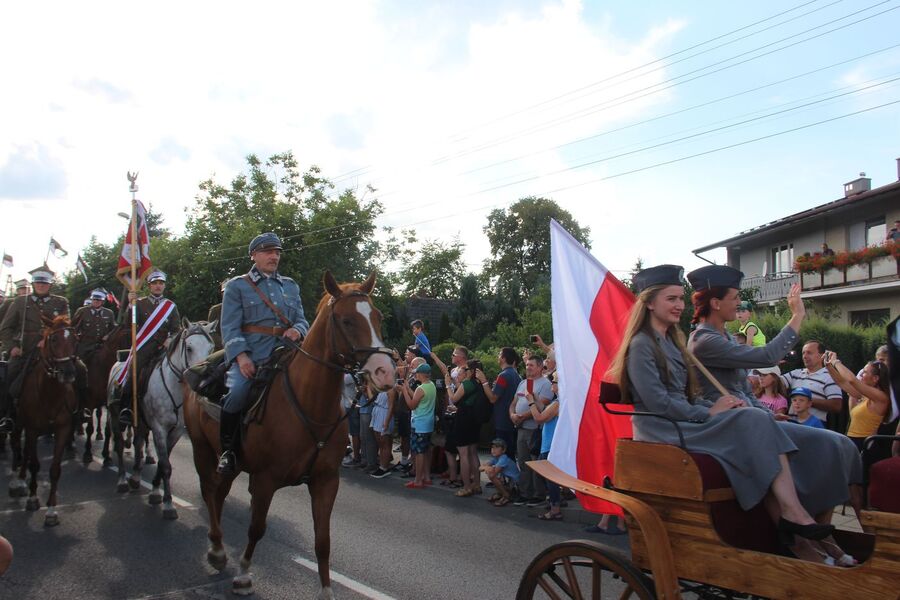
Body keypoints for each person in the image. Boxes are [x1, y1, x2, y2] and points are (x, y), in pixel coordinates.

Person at [609, 264, 843, 563]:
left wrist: (718, 406)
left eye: (681, 298)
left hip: (685, 421)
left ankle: (794, 516)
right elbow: (658, 403)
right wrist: (709, 413)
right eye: (671, 298)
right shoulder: (642, 345)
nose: (680, 305)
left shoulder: (673, 342)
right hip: (664, 429)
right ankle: (792, 513)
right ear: (649, 302)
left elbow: (689, 395)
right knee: (754, 419)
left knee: (757, 419)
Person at [685, 264, 862, 563]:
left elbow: (742, 391)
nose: (739, 304)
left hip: (751, 418)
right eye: (735, 297)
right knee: (805, 444)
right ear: (716, 303)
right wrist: (796, 317)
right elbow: (766, 357)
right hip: (730, 426)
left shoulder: (725, 337)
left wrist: (767, 412)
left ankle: (819, 528)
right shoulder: (704, 340)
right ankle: (799, 537)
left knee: (837, 444)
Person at [216, 233, 309, 474]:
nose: (274, 256)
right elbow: (229, 327)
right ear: (253, 255)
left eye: (277, 252)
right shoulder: (238, 286)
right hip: (253, 356)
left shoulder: (290, 285)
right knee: (236, 392)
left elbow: (302, 320)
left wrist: (297, 331)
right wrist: (241, 357)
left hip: (287, 355)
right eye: (268, 251)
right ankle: (228, 451)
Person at [0, 265, 70, 432]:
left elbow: (65, 326)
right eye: (38, 283)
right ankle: (7, 416)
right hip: (24, 349)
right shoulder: (20, 302)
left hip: (53, 350)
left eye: (44, 283)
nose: (41, 286)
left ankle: (78, 412)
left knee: (79, 371)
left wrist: (46, 339)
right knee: (8, 376)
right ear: (33, 284)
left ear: (50, 285)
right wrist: (12, 347)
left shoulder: (60, 302)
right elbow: (5, 328)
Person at [117, 269, 181, 426]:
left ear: (164, 286)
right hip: (144, 347)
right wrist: (130, 305)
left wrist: (170, 339)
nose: (158, 286)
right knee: (134, 371)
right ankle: (126, 407)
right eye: (155, 283)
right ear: (149, 285)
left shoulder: (170, 306)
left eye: (161, 283)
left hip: (164, 348)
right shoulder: (139, 303)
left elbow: (176, 329)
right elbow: (127, 325)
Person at [825, 353, 892, 451]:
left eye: (864, 372)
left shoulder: (881, 397)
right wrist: (829, 366)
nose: (860, 374)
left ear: (875, 378)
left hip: (865, 444)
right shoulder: (866, 395)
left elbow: (852, 380)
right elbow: (842, 383)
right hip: (853, 441)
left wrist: (836, 362)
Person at [439, 357, 484, 497]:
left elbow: (454, 398)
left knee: (463, 454)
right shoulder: (479, 383)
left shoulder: (467, 383)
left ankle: (466, 486)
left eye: (465, 369)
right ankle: (476, 483)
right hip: (475, 419)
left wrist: (447, 385)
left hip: (464, 418)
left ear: (470, 371)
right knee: (473, 452)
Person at [510, 355, 552, 506]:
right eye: (527, 365)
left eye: (531, 365)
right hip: (521, 429)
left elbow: (543, 405)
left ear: (540, 367)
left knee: (535, 463)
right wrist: (513, 415)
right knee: (523, 462)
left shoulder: (545, 384)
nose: (528, 367)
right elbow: (514, 402)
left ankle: (538, 494)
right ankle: (524, 493)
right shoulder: (523, 383)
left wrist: (522, 417)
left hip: (535, 430)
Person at [780, 341, 843, 424]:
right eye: (803, 353)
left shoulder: (830, 376)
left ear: (822, 355)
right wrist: (773, 365)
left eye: (809, 353)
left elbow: (836, 405)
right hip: (792, 426)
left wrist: (806, 400)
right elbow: (774, 383)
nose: (805, 356)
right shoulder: (796, 373)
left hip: (813, 428)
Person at [475, 347, 521, 458]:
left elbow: (493, 398)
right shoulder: (517, 375)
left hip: (503, 420)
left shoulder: (503, 375)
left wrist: (484, 381)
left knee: (503, 454)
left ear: (504, 358)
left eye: (500, 354)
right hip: (510, 419)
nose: (498, 357)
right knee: (509, 454)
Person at [532, 371, 561, 520]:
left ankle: (555, 507)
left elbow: (539, 417)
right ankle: (554, 503)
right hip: (549, 443)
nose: (552, 384)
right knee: (548, 477)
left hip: (550, 445)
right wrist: (536, 399)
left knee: (550, 478)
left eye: (554, 381)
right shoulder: (559, 401)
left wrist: (531, 402)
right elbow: (544, 410)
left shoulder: (558, 403)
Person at [401, 362, 435, 488]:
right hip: (428, 424)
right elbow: (417, 396)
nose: (415, 376)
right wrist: (407, 388)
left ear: (421, 374)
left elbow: (411, 405)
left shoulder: (421, 389)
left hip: (420, 424)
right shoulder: (430, 385)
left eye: (417, 373)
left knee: (419, 452)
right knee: (425, 451)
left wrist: (404, 390)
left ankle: (418, 480)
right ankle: (426, 477)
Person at [73, 289, 116, 360]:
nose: (96, 301)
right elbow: (73, 327)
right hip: (85, 345)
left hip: (102, 345)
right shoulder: (82, 311)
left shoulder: (109, 313)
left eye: (98, 300)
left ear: (103, 301)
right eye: (94, 299)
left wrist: (108, 335)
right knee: (80, 366)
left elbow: (114, 328)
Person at [480, 438, 520, 507]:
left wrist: (488, 468)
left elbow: (494, 472)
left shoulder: (503, 458)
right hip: (507, 480)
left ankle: (506, 495)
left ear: (503, 450)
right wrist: (488, 468)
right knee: (492, 474)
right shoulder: (495, 458)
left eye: (496, 448)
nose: (493, 450)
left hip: (515, 484)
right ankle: (500, 493)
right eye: (492, 448)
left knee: (492, 475)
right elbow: (480, 468)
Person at [369, 384, 396, 478]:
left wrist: (387, 421)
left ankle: (384, 467)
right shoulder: (380, 387)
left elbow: (391, 406)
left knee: (385, 442)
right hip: (377, 412)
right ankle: (382, 465)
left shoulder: (390, 389)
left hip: (384, 414)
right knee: (380, 442)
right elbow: (371, 399)